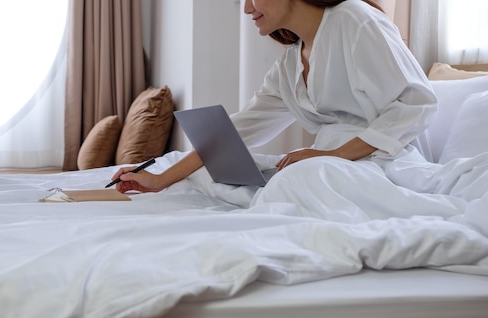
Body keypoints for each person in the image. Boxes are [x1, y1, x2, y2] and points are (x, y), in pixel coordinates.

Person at [111, 0, 437, 195]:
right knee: (208, 175)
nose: (247, 9)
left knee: (294, 181)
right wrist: (159, 180)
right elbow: (235, 132)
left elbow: (416, 104)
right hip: (329, 164)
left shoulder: (353, 19)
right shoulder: (290, 63)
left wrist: (333, 155)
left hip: (380, 163)